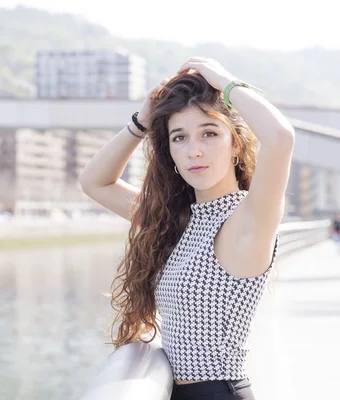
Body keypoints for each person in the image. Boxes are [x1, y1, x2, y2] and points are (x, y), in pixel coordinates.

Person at [79, 57, 295, 400]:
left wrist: (225, 81)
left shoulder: (247, 219)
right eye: (179, 138)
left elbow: (281, 137)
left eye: (209, 133)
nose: (194, 151)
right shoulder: (178, 220)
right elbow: (94, 183)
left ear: (235, 144)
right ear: (171, 154)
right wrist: (141, 122)